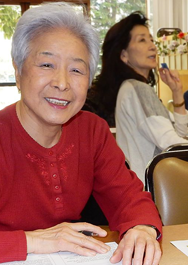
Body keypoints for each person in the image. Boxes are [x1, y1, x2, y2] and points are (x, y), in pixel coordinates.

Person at [0, 2, 162, 264]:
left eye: (76, 70)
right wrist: (35, 240)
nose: (62, 83)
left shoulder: (91, 130)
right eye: (46, 65)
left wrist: (142, 229)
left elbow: (129, 198)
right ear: (18, 71)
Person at [89, 11, 188, 183]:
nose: (152, 46)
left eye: (151, 39)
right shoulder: (137, 88)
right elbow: (171, 144)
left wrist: (177, 92)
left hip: (142, 184)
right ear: (124, 55)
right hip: (150, 188)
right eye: (142, 40)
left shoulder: (133, 87)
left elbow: (178, 134)